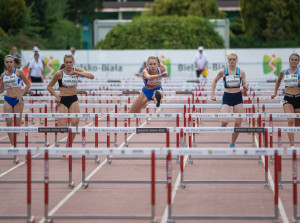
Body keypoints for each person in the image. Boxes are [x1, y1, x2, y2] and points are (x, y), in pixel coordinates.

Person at [47, 54, 94, 149]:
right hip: (63, 100)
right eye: (67, 62)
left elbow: (91, 76)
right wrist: (56, 95)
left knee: (75, 122)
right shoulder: (59, 73)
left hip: (73, 99)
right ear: (64, 63)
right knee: (62, 128)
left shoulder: (76, 70)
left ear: (73, 63)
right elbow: (49, 86)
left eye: (70, 62)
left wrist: (78, 73)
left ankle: (68, 146)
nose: (68, 64)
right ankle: (61, 123)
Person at [211, 51, 248, 148]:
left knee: (238, 122)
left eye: (234, 59)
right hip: (227, 96)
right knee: (224, 121)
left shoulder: (241, 72)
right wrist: (213, 94)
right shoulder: (223, 71)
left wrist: (245, 88)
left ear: (237, 60)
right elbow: (214, 81)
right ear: (227, 60)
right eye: (230, 59)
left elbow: (244, 88)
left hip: (238, 97)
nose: (232, 61)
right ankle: (223, 123)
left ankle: (232, 142)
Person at [0, 55, 31, 148]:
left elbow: (28, 84)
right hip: (8, 99)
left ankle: (19, 120)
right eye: (7, 62)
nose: (9, 64)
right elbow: (1, 90)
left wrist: (21, 94)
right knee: (8, 122)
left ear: (14, 63)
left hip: (18, 100)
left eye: (10, 62)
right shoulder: (3, 75)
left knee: (17, 127)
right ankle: (13, 144)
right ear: (5, 64)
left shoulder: (19, 72)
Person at [271, 53, 300, 149]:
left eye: (296, 60)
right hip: (288, 98)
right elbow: (278, 81)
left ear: (298, 62)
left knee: (297, 124)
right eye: (292, 59)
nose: (294, 61)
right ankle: (292, 145)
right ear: (289, 60)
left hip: (298, 98)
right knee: (290, 120)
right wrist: (275, 93)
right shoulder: (284, 71)